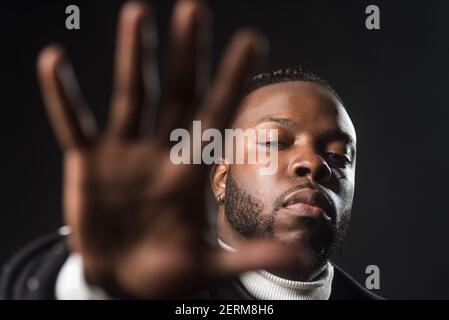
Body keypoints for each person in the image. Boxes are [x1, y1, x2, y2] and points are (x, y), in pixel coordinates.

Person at [0, 0, 381, 300]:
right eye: (274, 143)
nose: (313, 163)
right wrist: (94, 283)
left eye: (337, 155)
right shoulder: (154, 288)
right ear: (220, 176)